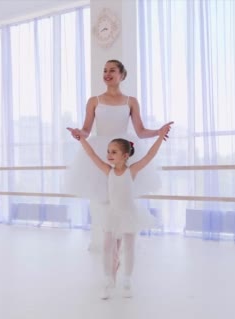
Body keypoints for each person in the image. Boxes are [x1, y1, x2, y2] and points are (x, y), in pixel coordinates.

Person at [64, 59, 173, 251]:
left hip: (123, 149)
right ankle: (104, 241)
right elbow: (87, 130)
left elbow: (140, 131)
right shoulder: (94, 101)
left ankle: (124, 242)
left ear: (121, 75)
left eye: (112, 70)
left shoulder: (131, 101)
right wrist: (79, 134)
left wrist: (158, 132)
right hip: (102, 148)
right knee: (102, 199)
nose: (107, 73)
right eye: (104, 70)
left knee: (124, 195)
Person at [77, 123, 172, 299]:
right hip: (112, 214)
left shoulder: (132, 171)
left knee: (128, 248)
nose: (108, 155)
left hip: (129, 214)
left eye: (114, 152)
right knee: (107, 248)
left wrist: (160, 136)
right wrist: (81, 138)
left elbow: (150, 155)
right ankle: (108, 280)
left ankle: (127, 280)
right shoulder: (108, 170)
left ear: (125, 155)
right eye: (108, 151)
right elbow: (91, 155)